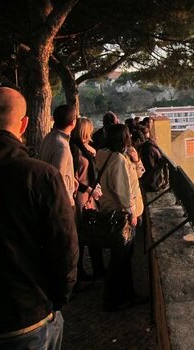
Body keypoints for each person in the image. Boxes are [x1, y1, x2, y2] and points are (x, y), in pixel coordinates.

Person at [0, 87, 78, 349]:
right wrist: (55, 302)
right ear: (24, 124)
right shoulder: (40, 176)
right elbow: (65, 248)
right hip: (26, 316)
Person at [95, 124, 142, 311]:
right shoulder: (118, 160)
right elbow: (123, 190)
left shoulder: (103, 154)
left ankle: (125, 295)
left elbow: (135, 175)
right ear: (124, 138)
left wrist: (136, 160)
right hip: (121, 215)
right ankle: (115, 299)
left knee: (119, 258)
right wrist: (131, 213)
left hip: (108, 210)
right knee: (120, 259)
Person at [69, 117, 105, 281]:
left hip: (91, 195)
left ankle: (98, 268)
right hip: (82, 196)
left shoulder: (85, 147)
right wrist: (89, 189)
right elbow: (73, 178)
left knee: (94, 232)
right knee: (83, 234)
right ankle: (80, 272)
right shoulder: (75, 150)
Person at [39, 104, 77, 205]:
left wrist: (71, 178)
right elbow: (57, 178)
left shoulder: (48, 137)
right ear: (73, 122)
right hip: (61, 202)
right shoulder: (62, 145)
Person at [138, 125, 169, 192]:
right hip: (156, 182)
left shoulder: (148, 150)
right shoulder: (150, 146)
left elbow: (151, 171)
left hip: (154, 183)